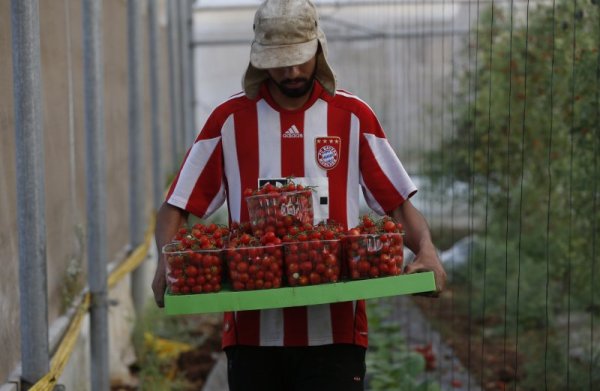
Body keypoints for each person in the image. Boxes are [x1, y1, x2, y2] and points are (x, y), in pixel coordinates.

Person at [152, 0, 446, 389]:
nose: (291, 70)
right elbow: (176, 206)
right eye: (279, 60)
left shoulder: (353, 116)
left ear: (318, 49)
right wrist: (165, 261)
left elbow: (397, 204)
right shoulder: (229, 121)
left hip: (336, 331)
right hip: (251, 333)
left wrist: (426, 249)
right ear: (259, 60)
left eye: (299, 58)